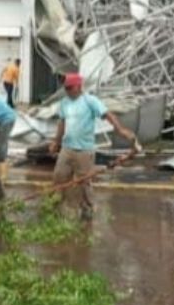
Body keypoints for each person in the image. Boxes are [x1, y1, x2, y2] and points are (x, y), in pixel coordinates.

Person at [49, 73, 134, 220]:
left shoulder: (90, 101)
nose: (67, 91)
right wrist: (56, 142)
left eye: (70, 88)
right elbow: (62, 123)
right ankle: (57, 208)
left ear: (79, 86)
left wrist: (120, 130)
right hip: (67, 148)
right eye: (66, 88)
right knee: (59, 177)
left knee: (84, 182)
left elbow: (108, 115)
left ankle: (87, 209)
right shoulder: (64, 102)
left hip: (84, 150)